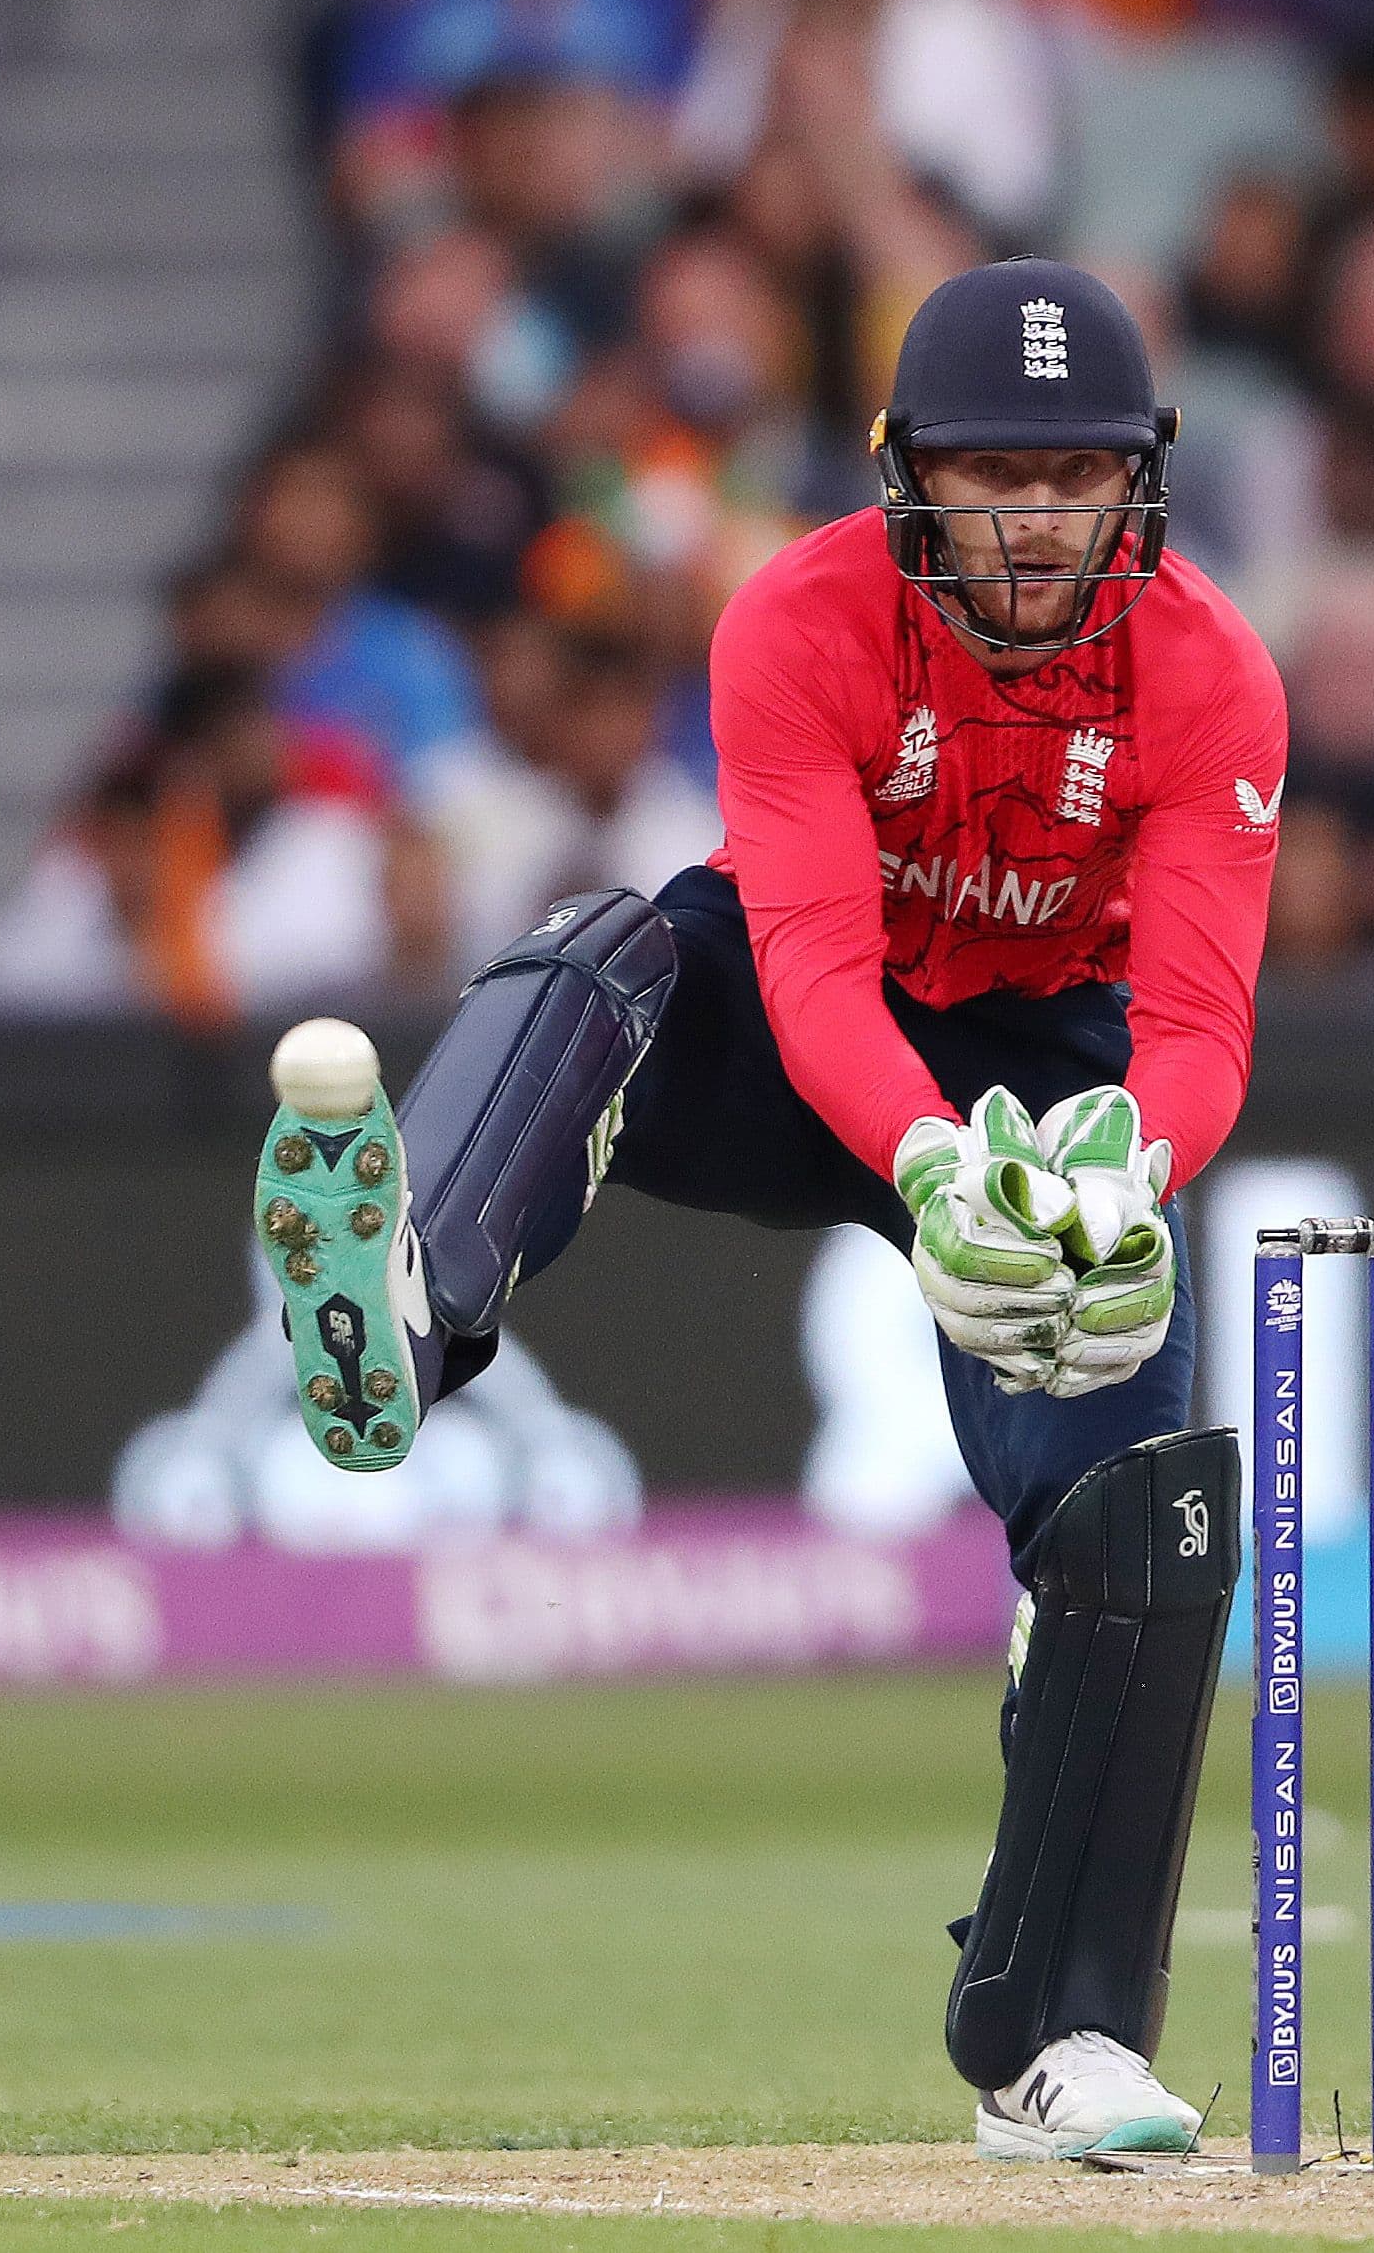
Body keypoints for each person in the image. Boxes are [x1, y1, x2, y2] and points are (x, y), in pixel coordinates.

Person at [243, 259, 1287, 2160]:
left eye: (1074, 473)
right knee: (605, 948)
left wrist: (1125, 1168)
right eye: (993, 473)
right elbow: (810, 967)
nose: (1035, 516)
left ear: (1140, 481)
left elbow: (1204, 1016)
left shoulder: (1211, 666)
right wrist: (925, 1161)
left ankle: (1058, 2037)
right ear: (908, 477)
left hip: (1063, 1070)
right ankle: (410, 1306)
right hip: (821, 1044)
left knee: (1145, 1516)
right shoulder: (800, 617)